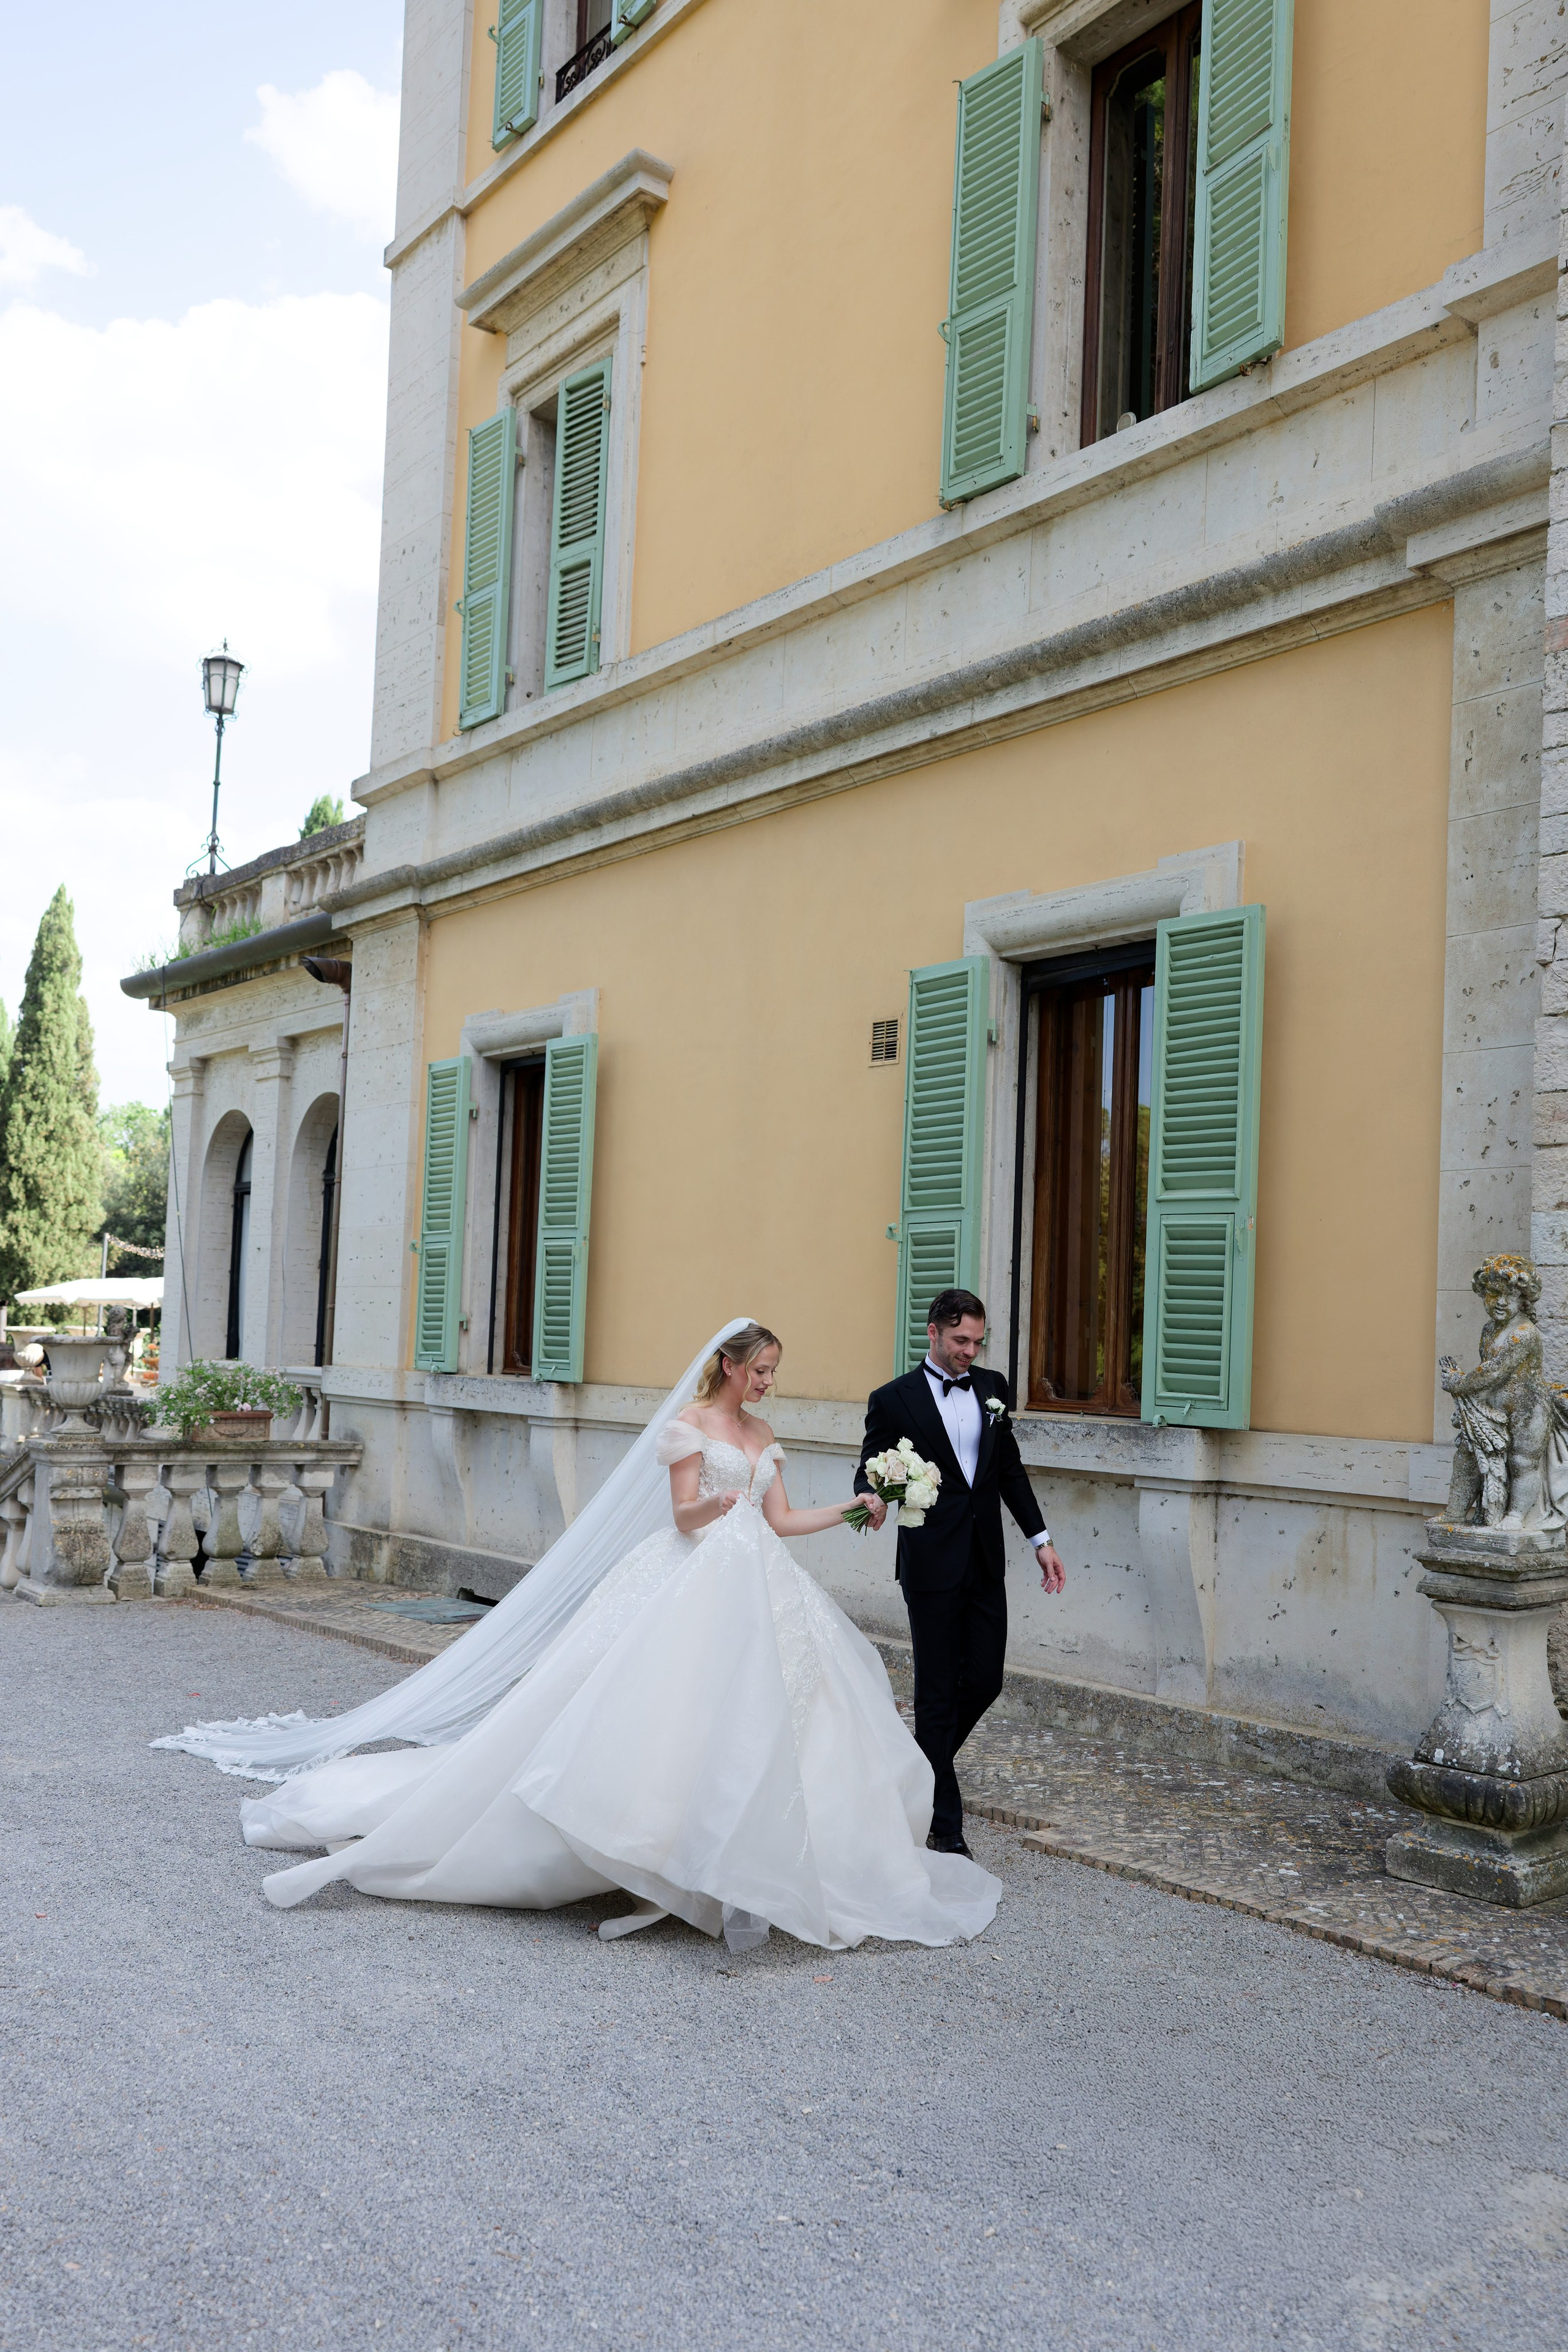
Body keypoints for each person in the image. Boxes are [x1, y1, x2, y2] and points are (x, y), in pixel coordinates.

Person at [164, 1320, 1003, 1953]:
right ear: (731, 1367)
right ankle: (656, 1857)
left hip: (761, 1580)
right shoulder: (692, 1428)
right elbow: (683, 1514)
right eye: (761, 1373)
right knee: (665, 1715)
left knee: (783, 1715)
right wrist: (716, 1505)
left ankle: (749, 1857)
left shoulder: (759, 1438)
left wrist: (857, 1508)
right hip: (696, 1576)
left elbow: (780, 1519)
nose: (768, 1387)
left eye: (774, 1376)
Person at [857, 1289, 1066, 1858]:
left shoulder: (993, 1389)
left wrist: (1040, 1540)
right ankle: (945, 1827)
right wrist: (871, 1500)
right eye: (960, 1342)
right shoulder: (893, 1398)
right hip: (929, 1560)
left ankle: (922, 1766)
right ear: (932, 1334)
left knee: (985, 1679)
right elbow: (871, 1468)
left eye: (976, 1342)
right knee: (935, 1688)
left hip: (984, 1556)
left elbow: (1009, 1471)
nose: (969, 1352)